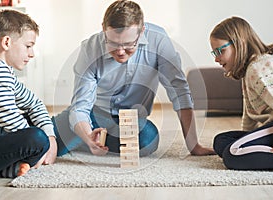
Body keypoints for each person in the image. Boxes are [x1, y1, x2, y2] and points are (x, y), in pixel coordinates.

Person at [53, 0, 214, 157]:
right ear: (103, 29)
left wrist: (194, 146)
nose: (121, 51)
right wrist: (88, 136)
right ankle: (89, 139)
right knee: (50, 141)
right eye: (113, 44)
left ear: (142, 31)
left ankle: (89, 141)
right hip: (95, 115)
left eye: (129, 44)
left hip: (133, 120)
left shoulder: (158, 40)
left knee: (147, 140)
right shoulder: (90, 48)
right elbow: (80, 107)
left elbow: (179, 92)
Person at [0, 10, 57, 178]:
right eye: (28, 46)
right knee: (37, 138)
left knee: (41, 129)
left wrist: (51, 136)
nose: (31, 54)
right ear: (7, 42)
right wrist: (44, 145)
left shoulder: (2, 68)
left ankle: (10, 167)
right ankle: (9, 168)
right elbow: (13, 123)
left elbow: (34, 103)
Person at [210, 16, 273, 170]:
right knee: (221, 141)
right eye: (214, 53)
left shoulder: (259, 67)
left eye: (220, 51)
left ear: (239, 44)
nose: (216, 58)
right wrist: (248, 137)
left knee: (232, 154)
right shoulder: (249, 70)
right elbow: (249, 114)